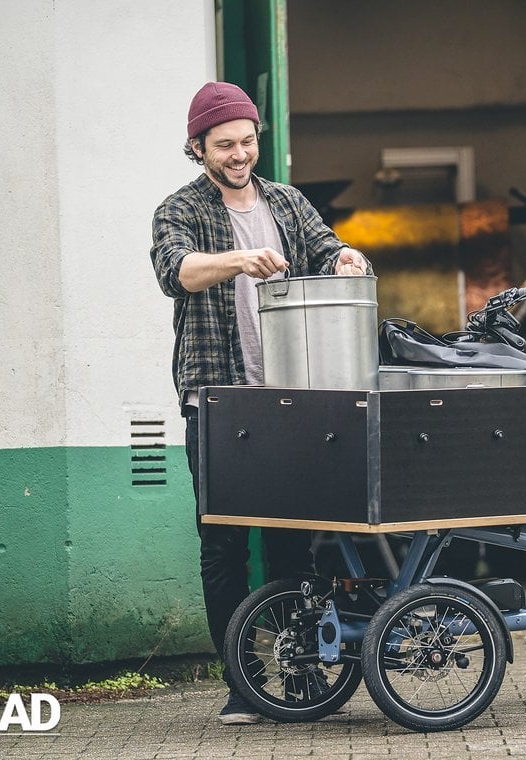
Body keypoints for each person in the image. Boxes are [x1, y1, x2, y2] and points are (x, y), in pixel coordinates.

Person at [149, 81, 370, 725]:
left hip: (289, 399)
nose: (239, 154)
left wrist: (346, 256)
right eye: (224, 145)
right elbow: (176, 272)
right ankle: (243, 684)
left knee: (292, 544)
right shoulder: (180, 209)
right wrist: (239, 260)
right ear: (199, 147)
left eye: (247, 141)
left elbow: (326, 247)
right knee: (222, 546)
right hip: (218, 399)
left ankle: (299, 679)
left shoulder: (286, 201)